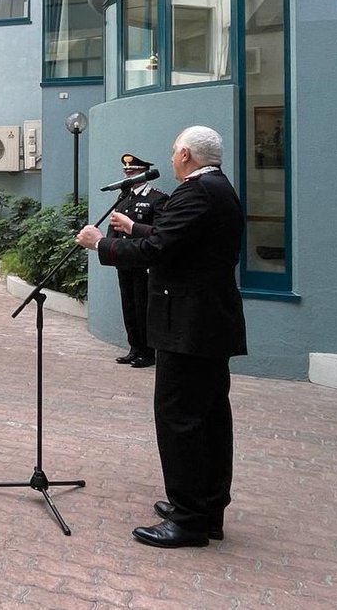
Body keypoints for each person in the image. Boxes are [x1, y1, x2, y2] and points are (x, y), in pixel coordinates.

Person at [76, 125, 246, 549]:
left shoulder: (195, 192)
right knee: (208, 418)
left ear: (186, 154)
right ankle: (206, 509)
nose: (171, 159)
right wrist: (134, 228)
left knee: (180, 420)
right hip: (207, 323)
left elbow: (159, 253)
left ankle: (189, 519)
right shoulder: (218, 188)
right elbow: (177, 241)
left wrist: (101, 245)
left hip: (188, 325)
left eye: (174, 152)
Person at [109, 153, 168, 368]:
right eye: (127, 171)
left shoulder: (157, 198)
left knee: (144, 306)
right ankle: (134, 348)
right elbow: (114, 225)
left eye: (133, 171)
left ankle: (147, 352)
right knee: (129, 305)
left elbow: (159, 232)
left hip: (144, 261)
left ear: (144, 173)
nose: (129, 174)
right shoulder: (124, 197)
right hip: (125, 260)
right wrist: (110, 250)